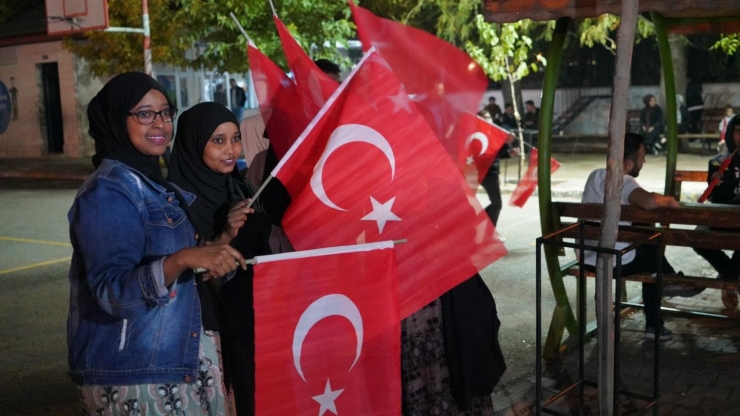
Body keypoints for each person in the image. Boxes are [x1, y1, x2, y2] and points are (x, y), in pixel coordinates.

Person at [68, 72, 246, 415]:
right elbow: (111, 291)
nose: (160, 124)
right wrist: (184, 257)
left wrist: (218, 245)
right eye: (145, 113)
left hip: (176, 358)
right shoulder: (110, 190)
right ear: (118, 120)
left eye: (165, 112)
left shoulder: (153, 184)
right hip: (136, 370)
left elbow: (181, 267)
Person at [169, 102, 273, 416]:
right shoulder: (176, 204)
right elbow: (195, 278)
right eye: (218, 140)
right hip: (212, 330)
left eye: (235, 138)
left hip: (255, 318)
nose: (230, 149)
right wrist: (226, 233)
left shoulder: (242, 188)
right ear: (194, 143)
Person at [581, 133, 701, 340]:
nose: (644, 160)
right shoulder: (624, 180)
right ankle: (658, 315)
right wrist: (669, 200)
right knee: (654, 261)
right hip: (615, 259)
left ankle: (670, 281)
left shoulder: (595, 176)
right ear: (628, 162)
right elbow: (648, 202)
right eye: (642, 156)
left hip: (588, 257)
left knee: (650, 247)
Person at [694, 115, 740, 309]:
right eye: (738, 131)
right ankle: (731, 276)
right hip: (723, 219)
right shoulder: (718, 162)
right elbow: (715, 199)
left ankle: (728, 280)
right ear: (730, 134)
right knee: (696, 238)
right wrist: (718, 182)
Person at [478, 110, 518, 229]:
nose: (487, 120)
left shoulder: (492, 134)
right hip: (487, 172)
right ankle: (489, 231)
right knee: (497, 203)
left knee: (496, 203)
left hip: (492, 171)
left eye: (488, 117)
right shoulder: (479, 136)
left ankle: (479, 221)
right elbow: (489, 156)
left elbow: (497, 155)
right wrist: (506, 144)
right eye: (483, 118)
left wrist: (509, 153)